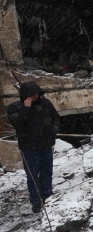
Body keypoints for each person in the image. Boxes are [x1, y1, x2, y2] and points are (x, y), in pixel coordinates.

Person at [6, 81, 59, 214]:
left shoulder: (45, 103)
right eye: (32, 94)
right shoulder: (15, 107)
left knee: (47, 172)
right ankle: (36, 201)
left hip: (45, 144)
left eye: (36, 93)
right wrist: (26, 108)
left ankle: (47, 196)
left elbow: (55, 117)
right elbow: (17, 123)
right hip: (29, 148)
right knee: (32, 175)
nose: (35, 96)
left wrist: (53, 130)